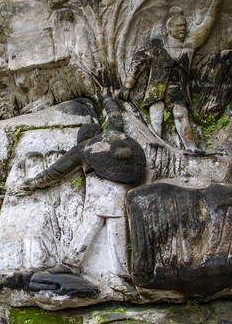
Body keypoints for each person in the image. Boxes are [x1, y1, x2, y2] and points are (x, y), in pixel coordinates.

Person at [20, 96, 145, 293]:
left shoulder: (84, 147)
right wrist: (108, 99)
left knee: (89, 225)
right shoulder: (114, 134)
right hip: (123, 188)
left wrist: (34, 183)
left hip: (100, 192)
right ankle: (119, 276)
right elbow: (115, 116)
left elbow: (56, 171)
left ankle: (71, 264)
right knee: (117, 230)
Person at [119, 0, 228, 153]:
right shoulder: (155, 45)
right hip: (157, 87)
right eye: (178, 26)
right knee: (156, 115)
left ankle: (191, 146)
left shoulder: (190, 45)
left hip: (179, 90)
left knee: (182, 115)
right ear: (169, 28)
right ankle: (155, 143)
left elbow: (209, 22)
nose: (182, 29)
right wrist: (127, 86)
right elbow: (136, 64)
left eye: (184, 26)